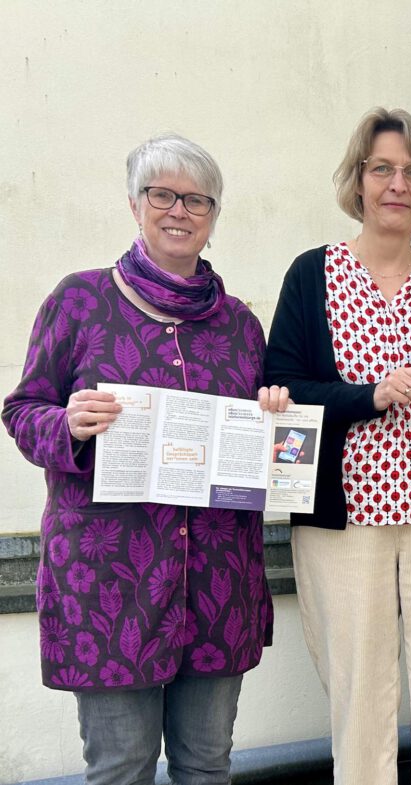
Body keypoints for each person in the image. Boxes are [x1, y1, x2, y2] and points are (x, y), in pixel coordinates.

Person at [3, 133, 289, 785]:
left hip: (219, 584)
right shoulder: (78, 302)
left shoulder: (242, 326)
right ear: (135, 204)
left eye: (198, 200)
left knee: (207, 766)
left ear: (214, 218)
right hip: (110, 587)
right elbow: (23, 411)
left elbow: (263, 442)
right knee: (120, 768)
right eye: (163, 194)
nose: (179, 211)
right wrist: (66, 422)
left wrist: (274, 412)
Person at [264, 107, 411, 785]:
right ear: (359, 181)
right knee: (360, 696)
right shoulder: (312, 274)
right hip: (347, 518)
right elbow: (281, 386)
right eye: (383, 169)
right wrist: (368, 395)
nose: (399, 184)